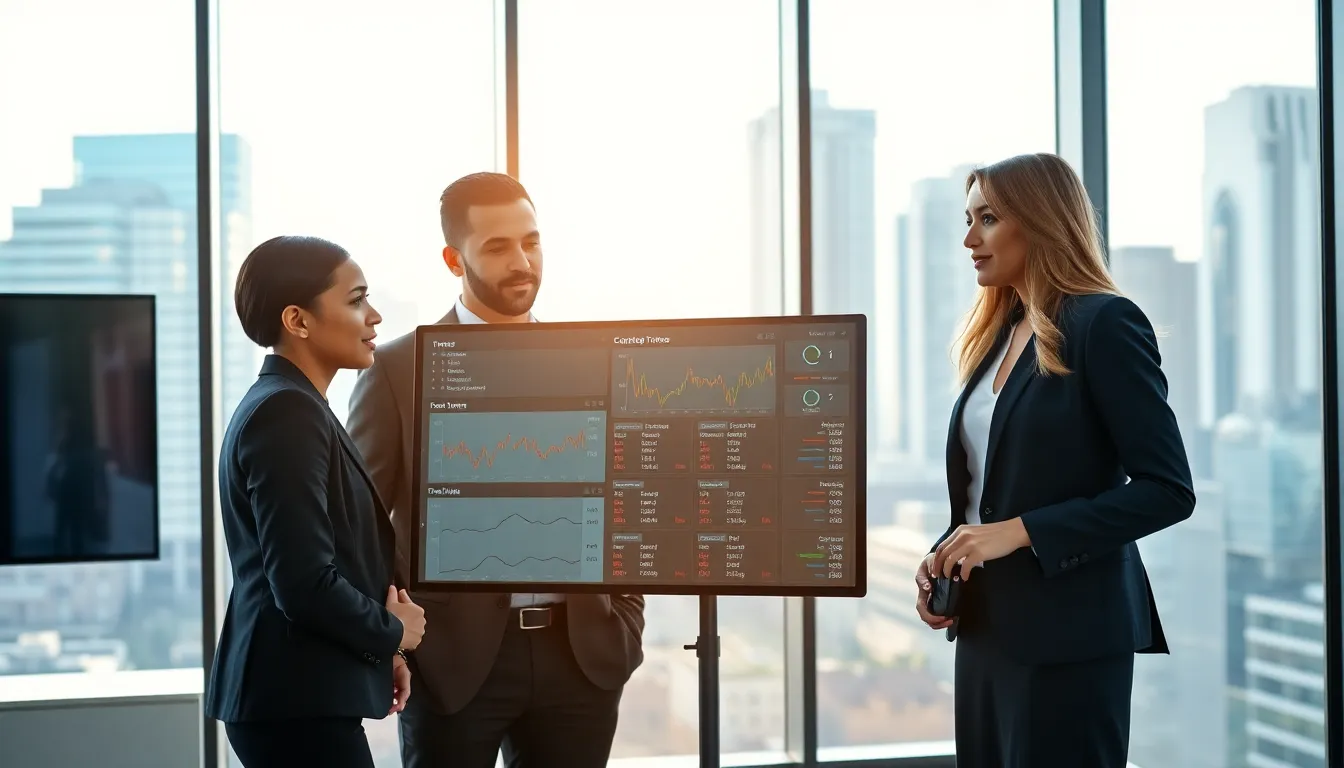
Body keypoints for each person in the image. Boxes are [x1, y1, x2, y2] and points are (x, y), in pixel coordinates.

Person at [347, 172, 645, 768]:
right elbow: (363, 526)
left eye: (531, 242)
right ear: (454, 259)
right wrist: (396, 644)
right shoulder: (396, 369)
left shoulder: (595, 361)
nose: (522, 262)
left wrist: (626, 617)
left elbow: (629, 498)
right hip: (453, 665)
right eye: (498, 247)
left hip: (582, 657)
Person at [913, 153, 1196, 767]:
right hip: (984, 630)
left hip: (1069, 639)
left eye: (988, 218)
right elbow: (992, 491)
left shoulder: (1104, 323)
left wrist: (1018, 532)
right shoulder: (999, 335)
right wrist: (949, 552)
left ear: (1039, 220)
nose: (969, 239)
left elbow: (1168, 489)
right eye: (968, 220)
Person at [205, 235, 428, 768]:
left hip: (298, 700)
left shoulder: (297, 404)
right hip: (293, 705)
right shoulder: (287, 412)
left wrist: (385, 652)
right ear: (297, 320)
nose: (374, 316)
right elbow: (303, 582)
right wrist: (393, 631)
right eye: (356, 300)